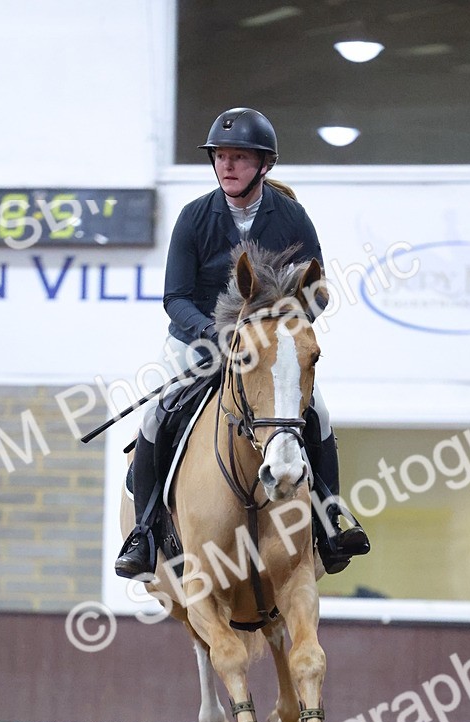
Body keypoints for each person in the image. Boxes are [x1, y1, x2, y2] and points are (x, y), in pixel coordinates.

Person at [114, 106, 369, 578]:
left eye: (239, 157)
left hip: (266, 349)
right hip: (199, 342)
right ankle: (144, 533)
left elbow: (316, 291)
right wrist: (214, 334)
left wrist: (282, 332)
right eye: (221, 156)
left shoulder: (291, 216)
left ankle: (330, 519)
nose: (227, 165)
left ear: (264, 164)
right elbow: (175, 297)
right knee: (155, 418)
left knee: (319, 413)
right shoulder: (195, 217)